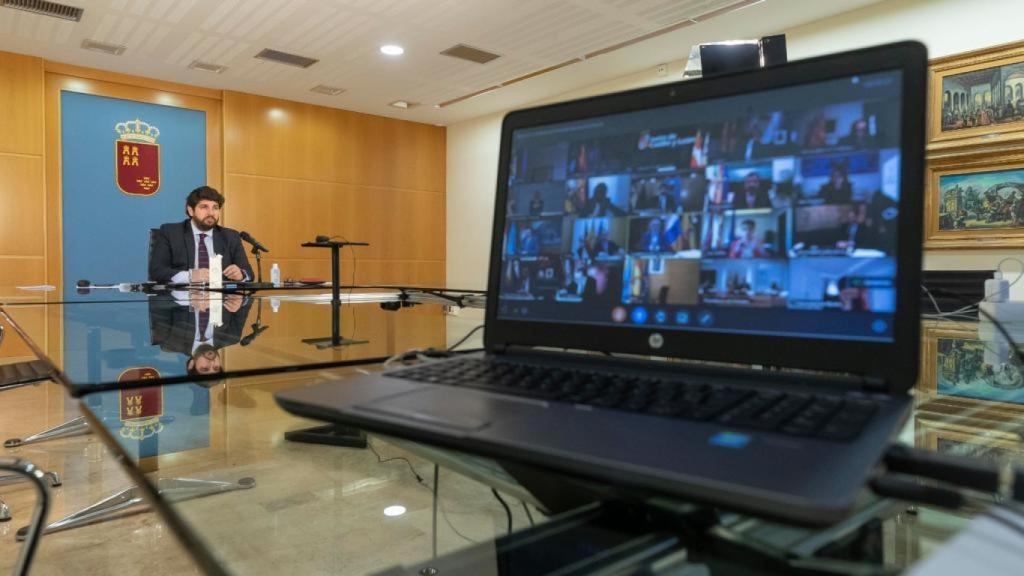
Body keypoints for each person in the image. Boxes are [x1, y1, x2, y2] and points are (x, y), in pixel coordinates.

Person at [149, 186, 254, 284]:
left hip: (221, 300)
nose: (211, 213)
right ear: (191, 211)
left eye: (215, 208)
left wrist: (241, 274)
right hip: (181, 299)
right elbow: (157, 271)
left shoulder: (231, 236)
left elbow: (249, 273)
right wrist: (190, 276)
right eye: (204, 207)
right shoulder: (170, 232)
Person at [148, 292, 252, 376]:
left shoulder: (169, 343)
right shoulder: (231, 337)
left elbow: (156, 301)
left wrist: (189, 299)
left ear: (192, 365)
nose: (211, 363)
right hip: (218, 274)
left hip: (185, 273)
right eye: (216, 367)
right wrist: (240, 301)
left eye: (205, 368)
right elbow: (247, 300)